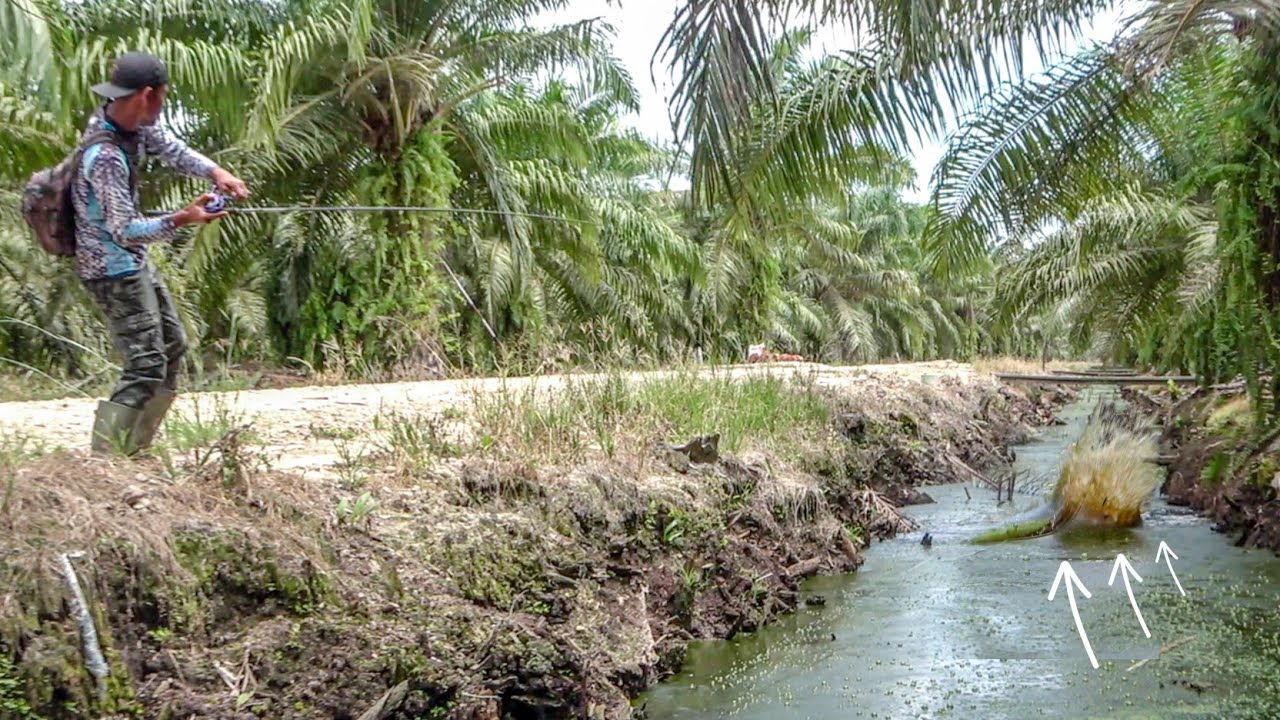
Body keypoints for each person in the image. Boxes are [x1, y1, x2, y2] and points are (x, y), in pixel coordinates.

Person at [74, 51, 250, 455]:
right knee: (146, 363)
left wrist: (216, 172)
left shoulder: (130, 125)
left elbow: (174, 150)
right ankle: (106, 459)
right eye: (164, 96)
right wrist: (183, 218)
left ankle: (135, 449)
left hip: (132, 262)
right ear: (148, 95)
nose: (164, 104)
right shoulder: (105, 155)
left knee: (173, 346)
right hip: (110, 269)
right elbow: (125, 231)